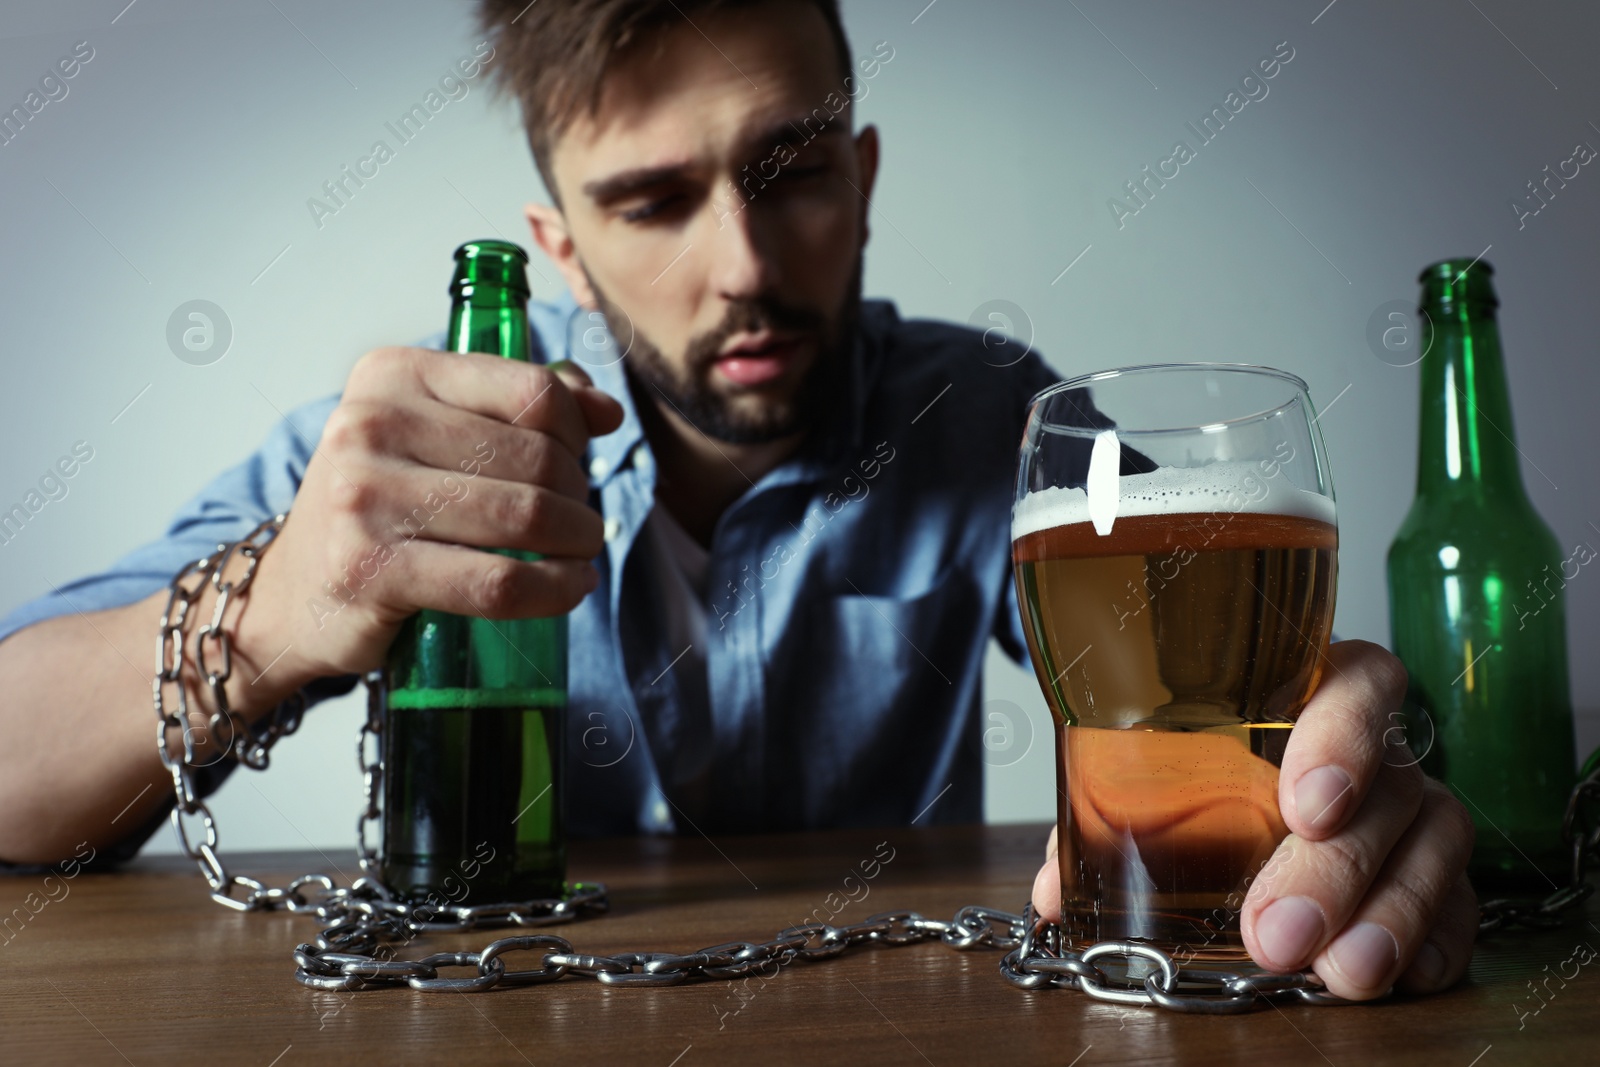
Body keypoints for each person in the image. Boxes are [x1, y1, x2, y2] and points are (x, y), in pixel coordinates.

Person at [0, 0, 1475, 1001]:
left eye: (794, 173)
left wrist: (1354, 765)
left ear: (864, 178)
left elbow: (1232, 699)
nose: (747, 265)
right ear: (556, 249)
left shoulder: (984, 421)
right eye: (651, 201)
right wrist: (273, 616)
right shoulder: (396, 462)